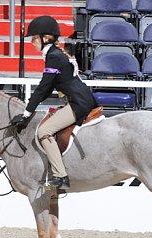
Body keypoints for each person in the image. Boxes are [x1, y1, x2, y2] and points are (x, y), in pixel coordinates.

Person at [15, 15, 98, 190]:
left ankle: (61, 176)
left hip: (78, 103)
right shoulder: (56, 54)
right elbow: (47, 89)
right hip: (79, 99)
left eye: (34, 38)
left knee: (44, 131)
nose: (31, 42)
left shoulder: (54, 57)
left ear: (46, 38)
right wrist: (29, 109)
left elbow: (43, 87)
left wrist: (27, 113)